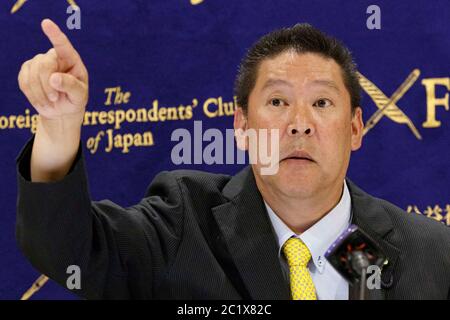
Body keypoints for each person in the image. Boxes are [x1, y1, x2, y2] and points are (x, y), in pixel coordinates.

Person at [16, 19, 450, 300]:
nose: (300, 124)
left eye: (321, 102)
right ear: (241, 126)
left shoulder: (433, 253)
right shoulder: (183, 224)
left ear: (355, 128)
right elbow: (67, 248)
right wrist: (60, 124)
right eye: (278, 101)